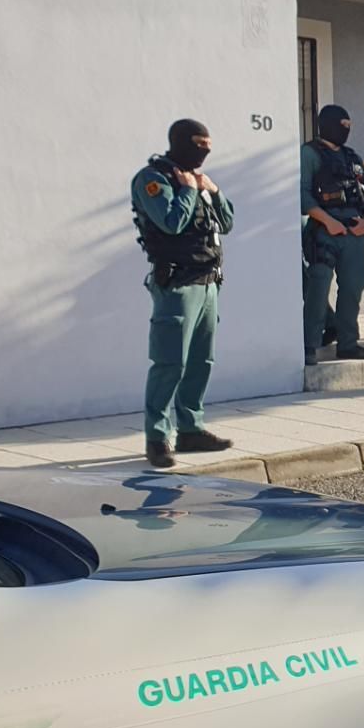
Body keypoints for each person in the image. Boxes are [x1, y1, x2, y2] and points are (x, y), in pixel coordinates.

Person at [131, 119, 235, 469]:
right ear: (178, 142)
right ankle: (157, 437)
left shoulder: (196, 180)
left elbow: (227, 223)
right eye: (198, 145)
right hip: (177, 284)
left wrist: (213, 191)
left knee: (201, 361)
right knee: (169, 362)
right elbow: (171, 223)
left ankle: (190, 429)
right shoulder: (153, 179)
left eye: (208, 146)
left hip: (208, 283)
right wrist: (189, 191)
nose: (203, 152)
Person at [301, 104, 364, 366]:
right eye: (341, 125)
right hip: (323, 232)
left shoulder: (352, 157)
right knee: (318, 288)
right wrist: (328, 221)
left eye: (349, 126)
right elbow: (303, 195)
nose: (346, 130)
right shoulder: (309, 154)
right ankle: (309, 345)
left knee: (354, 287)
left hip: (354, 233)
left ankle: (348, 344)